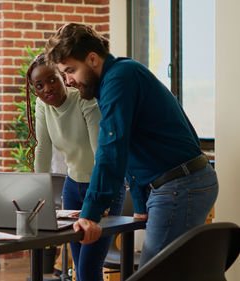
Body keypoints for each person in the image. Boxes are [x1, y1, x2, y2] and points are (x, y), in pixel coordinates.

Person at [44, 23, 218, 267]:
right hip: (183, 183)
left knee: (153, 273)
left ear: (92, 58)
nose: (68, 80)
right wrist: (139, 202)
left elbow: (111, 149)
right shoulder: (115, 80)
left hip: (181, 185)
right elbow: (127, 146)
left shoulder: (119, 78)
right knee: (175, 271)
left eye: (70, 70)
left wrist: (90, 215)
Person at [25, 53, 125, 281]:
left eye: (52, 80)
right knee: (80, 269)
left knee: (89, 269)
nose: (47, 89)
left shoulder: (83, 99)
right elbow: (42, 149)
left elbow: (101, 150)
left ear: (62, 76)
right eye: (39, 86)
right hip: (73, 187)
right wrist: (37, 196)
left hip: (102, 186)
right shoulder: (42, 105)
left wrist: (101, 197)